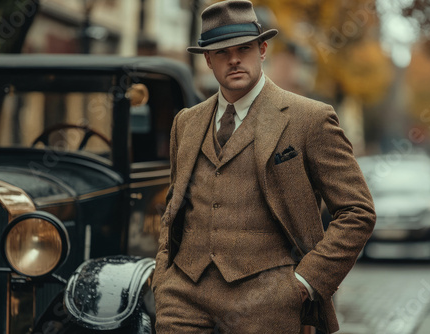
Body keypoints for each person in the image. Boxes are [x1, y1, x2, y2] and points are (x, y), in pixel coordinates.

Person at [151, 1, 376, 333]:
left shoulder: (309, 119)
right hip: (183, 299)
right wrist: (163, 280)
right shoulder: (185, 123)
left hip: (267, 305)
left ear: (263, 49)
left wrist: (304, 282)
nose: (235, 59)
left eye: (244, 48)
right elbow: (174, 208)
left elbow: (358, 212)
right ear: (208, 59)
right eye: (222, 52)